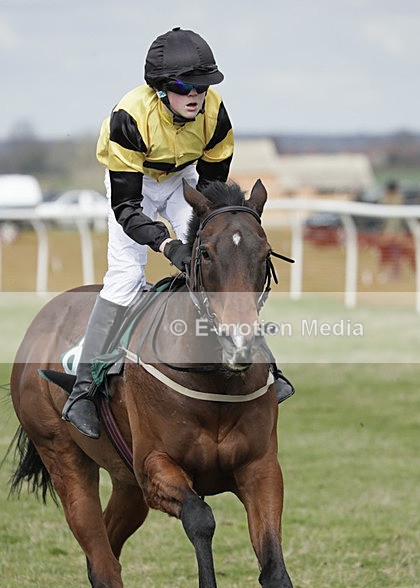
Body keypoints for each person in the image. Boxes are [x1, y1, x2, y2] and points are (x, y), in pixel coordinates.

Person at [62, 27, 292, 439]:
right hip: (132, 185)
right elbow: (127, 208)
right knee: (125, 277)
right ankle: (82, 390)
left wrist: (204, 241)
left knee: (220, 258)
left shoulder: (215, 114)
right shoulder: (129, 118)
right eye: (185, 87)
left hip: (183, 180)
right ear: (161, 88)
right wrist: (169, 245)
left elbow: (214, 196)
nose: (196, 95)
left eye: (203, 86)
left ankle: (265, 363)